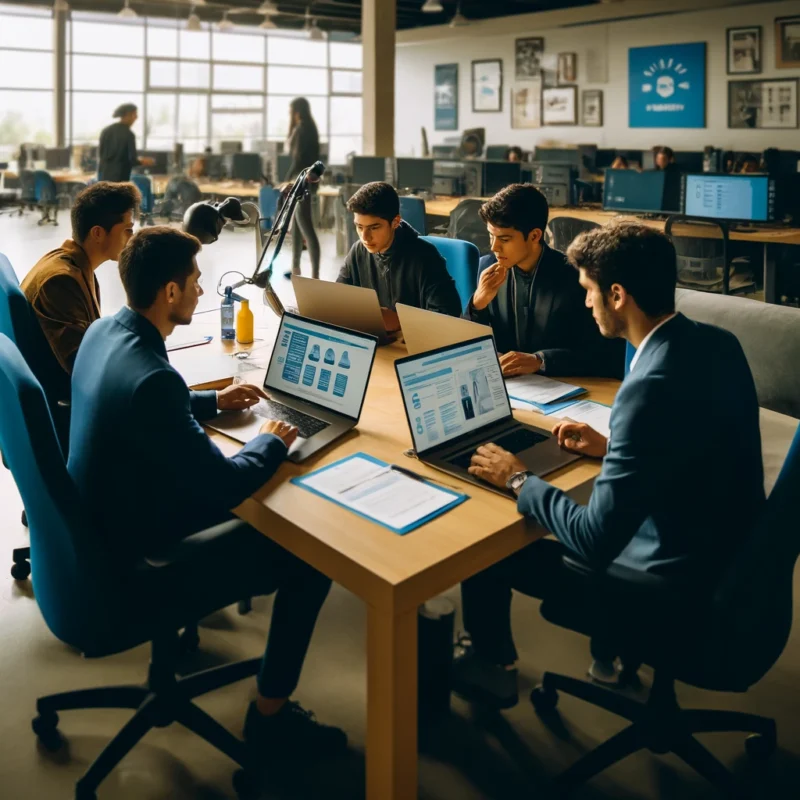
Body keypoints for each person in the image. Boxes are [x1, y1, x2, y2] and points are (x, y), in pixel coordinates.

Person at [451, 222, 765, 708]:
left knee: (487, 548)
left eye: (589, 292)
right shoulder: (716, 343)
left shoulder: (648, 385)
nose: (585, 303)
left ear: (617, 295)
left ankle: (491, 666)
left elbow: (596, 540)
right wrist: (616, 445)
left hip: (669, 585)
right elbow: (698, 440)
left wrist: (518, 478)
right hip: (730, 558)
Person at [68, 226, 347, 757]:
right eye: (194, 281)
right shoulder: (155, 377)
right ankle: (271, 715)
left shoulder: (106, 333)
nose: (201, 290)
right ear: (169, 292)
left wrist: (215, 405)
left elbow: (138, 402)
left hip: (100, 522)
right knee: (310, 554)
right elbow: (225, 487)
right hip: (135, 559)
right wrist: (268, 442)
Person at [465, 183, 622, 378]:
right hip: (508, 388)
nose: (494, 247)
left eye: (504, 239)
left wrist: (540, 361)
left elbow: (604, 354)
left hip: (562, 387)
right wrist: (477, 306)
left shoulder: (577, 279)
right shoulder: (486, 268)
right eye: (491, 236)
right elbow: (464, 344)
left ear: (534, 236)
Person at [20, 181, 141, 418]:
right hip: (73, 412)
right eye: (127, 229)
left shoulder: (73, 265)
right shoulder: (60, 281)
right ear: (98, 233)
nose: (132, 238)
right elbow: (87, 369)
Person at [338, 181, 462, 332]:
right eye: (359, 227)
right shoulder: (358, 251)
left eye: (374, 227)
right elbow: (340, 298)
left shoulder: (426, 257)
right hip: (376, 340)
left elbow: (448, 316)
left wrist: (399, 321)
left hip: (413, 343)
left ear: (395, 222)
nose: (365, 237)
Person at [284, 97, 321, 280]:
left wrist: (285, 179)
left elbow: (298, 160)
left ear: (296, 112)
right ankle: (296, 269)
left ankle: (314, 276)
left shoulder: (301, 128)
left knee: (306, 227)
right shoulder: (311, 128)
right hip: (309, 180)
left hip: (302, 181)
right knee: (298, 225)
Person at [98, 103, 153, 183]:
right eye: (135, 114)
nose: (136, 117)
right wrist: (144, 161)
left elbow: (101, 154)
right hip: (120, 178)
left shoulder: (106, 130)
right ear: (128, 115)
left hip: (103, 177)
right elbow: (132, 160)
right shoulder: (129, 134)